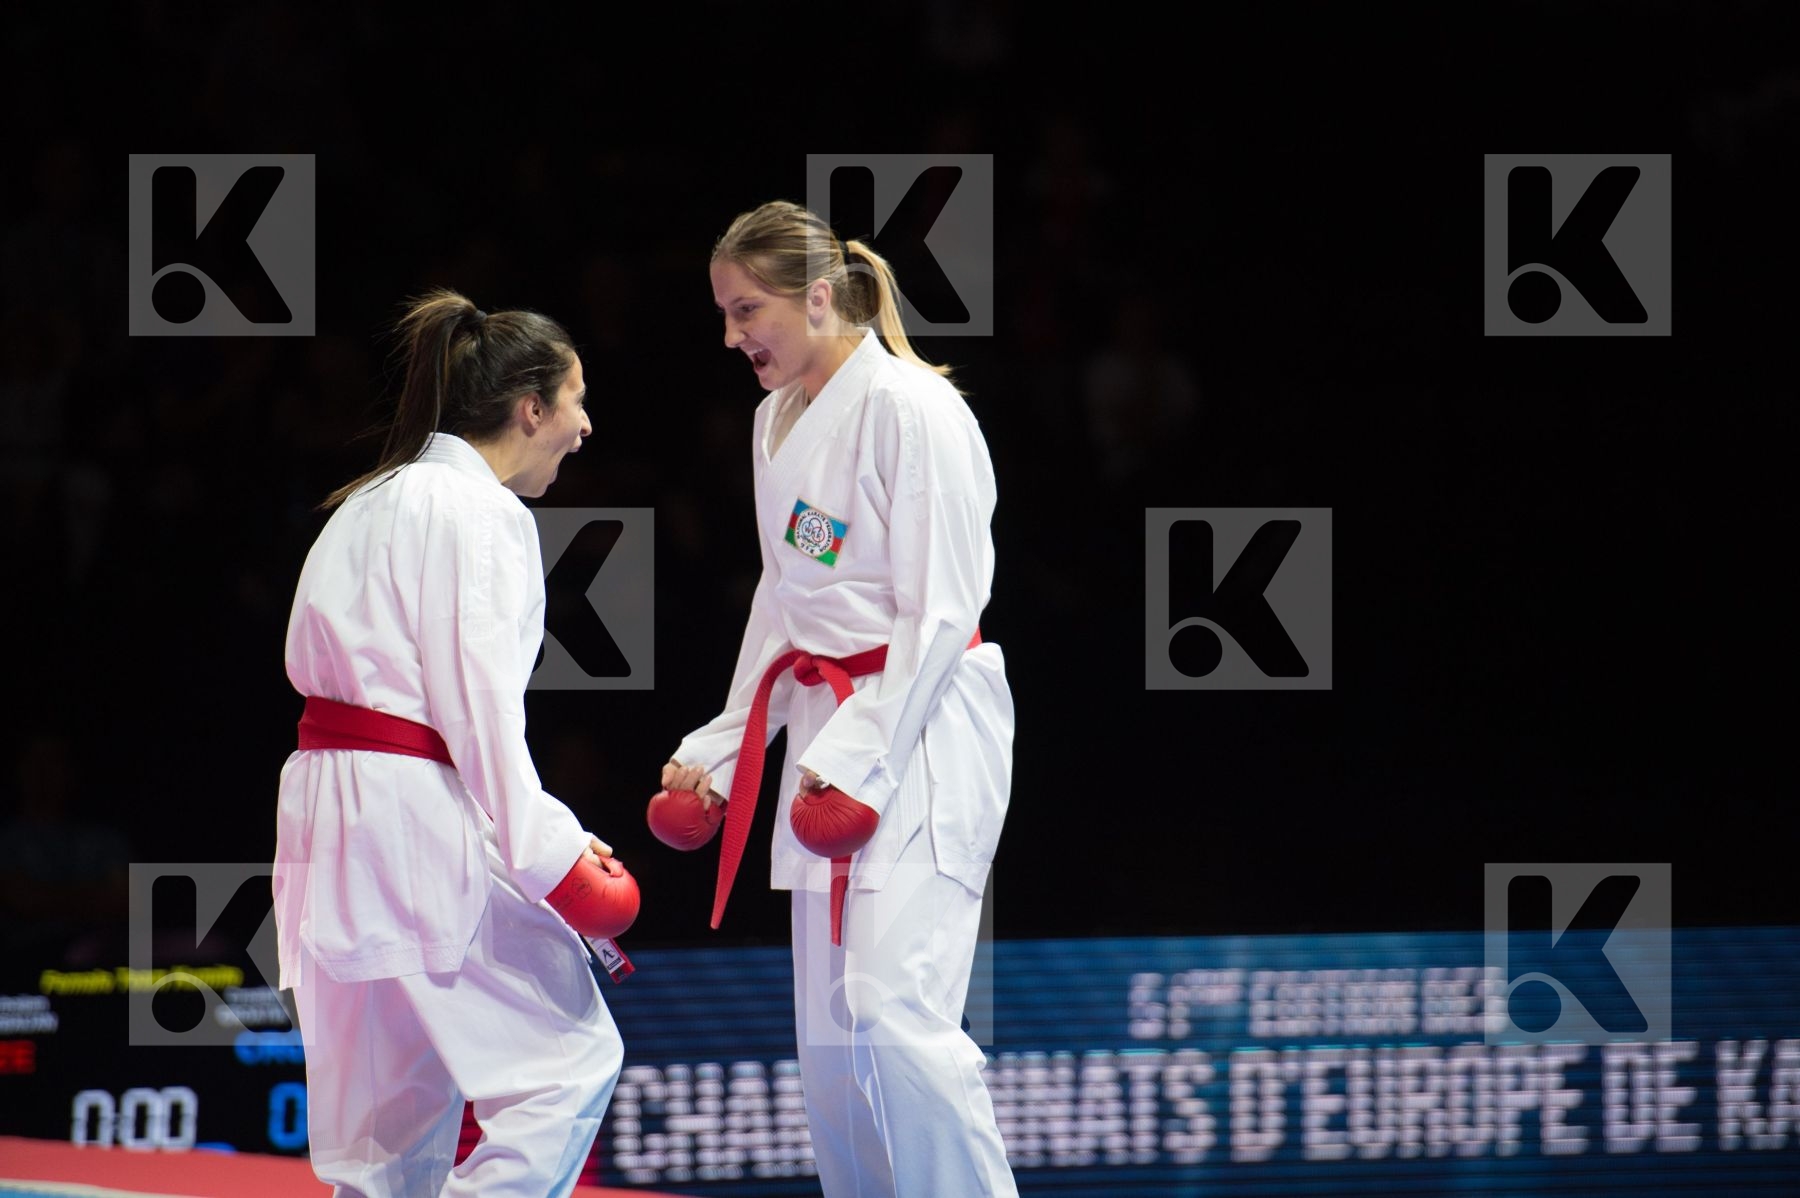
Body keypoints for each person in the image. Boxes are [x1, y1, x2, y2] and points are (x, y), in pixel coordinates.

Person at [660, 200, 1018, 1196]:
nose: (732, 336)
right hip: (828, 727)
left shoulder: (915, 408)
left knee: (895, 1014)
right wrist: (731, 739)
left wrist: (866, 752)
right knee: (831, 1048)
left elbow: (946, 609)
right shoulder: (775, 421)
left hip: (925, 726)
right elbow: (786, 599)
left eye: (746, 311)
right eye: (725, 315)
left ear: (818, 298)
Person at [273, 290, 622, 1197]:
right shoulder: (482, 514)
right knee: (568, 1062)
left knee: (383, 1138)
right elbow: (478, 712)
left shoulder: (369, 497)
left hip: (327, 814)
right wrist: (551, 848)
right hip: (406, 817)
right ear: (529, 407)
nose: (586, 426)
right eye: (576, 400)